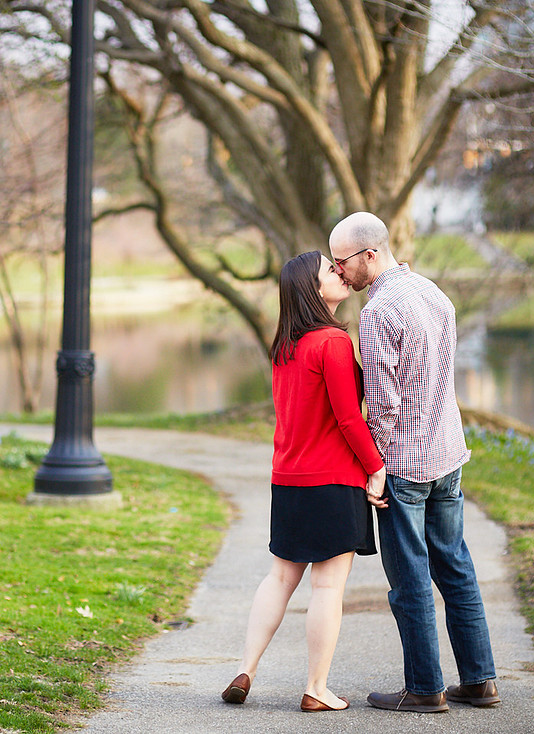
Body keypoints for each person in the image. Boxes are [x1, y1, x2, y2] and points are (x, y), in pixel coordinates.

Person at [328, 212, 500, 713]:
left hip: (404, 463)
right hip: (447, 450)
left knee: (409, 579)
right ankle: (480, 679)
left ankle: (425, 688)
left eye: (343, 262)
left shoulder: (379, 311)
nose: (340, 272)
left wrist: (373, 464)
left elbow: (383, 402)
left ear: (370, 254)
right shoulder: (431, 291)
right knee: (455, 565)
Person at [220, 250, 386, 713]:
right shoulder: (331, 342)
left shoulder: (285, 345)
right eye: (329, 271)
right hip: (332, 480)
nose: (339, 272)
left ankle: (245, 669)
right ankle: (316, 687)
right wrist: (375, 467)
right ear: (313, 290)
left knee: (279, 578)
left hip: (288, 478)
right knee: (328, 588)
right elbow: (349, 419)